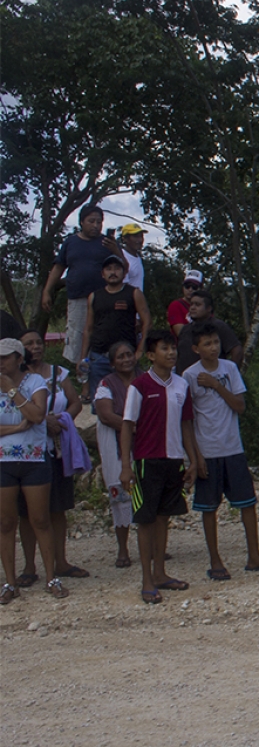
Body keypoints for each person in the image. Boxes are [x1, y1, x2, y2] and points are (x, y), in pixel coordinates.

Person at [183, 322, 259, 578]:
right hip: (208, 449)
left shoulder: (229, 369)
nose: (213, 348)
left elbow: (239, 405)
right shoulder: (190, 376)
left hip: (232, 447)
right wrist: (195, 457)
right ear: (196, 348)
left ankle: (254, 555)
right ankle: (215, 560)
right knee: (209, 507)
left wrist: (217, 385)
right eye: (207, 344)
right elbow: (188, 419)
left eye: (216, 342)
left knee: (247, 503)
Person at [120, 329, 205, 603]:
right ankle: (146, 579)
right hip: (147, 461)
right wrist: (126, 465)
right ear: (150, 355)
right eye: (164, 349)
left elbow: (186, 424)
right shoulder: (140, 386)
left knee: (163, 518)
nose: (171, 353)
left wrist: (192, 459)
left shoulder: (181, 385)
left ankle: (160, 573)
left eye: (173, 348)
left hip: (173, 460)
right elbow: (127, 426)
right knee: (145, 520)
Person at [15, 329, 88, 583]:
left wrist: (64, 420)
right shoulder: (15, 379)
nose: (35, 347)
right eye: (29, 343)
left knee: (58, 508)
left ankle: (61, 561)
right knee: (27, 513)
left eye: (38, 342)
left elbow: (75, 401)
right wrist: (44, 421)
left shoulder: (59, 373)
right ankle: (29, 566)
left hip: (56, 450)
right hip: (28, 452)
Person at [0, 337, 66, 604]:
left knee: (40, 519)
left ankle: (52, 577)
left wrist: (11, 390)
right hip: (3, 460)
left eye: (5, 357)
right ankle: (10, 582)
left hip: (34, 458)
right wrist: (16, 428)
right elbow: (27, 418)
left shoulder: (36, 382)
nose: (1, 362)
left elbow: (38, 415)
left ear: (18, 358)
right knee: (5, 523)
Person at [40, 204, 123, 369]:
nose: (96, 225)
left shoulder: (106, 243)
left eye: (99, 222)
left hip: (103, 299)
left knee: (102, 335)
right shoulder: (71, 242)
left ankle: (102, 369)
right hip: (77, 297)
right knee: (77, 335)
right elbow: (58, 267)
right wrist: (47, 291)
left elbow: (123, 267)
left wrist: (116, 249)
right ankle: (77, 371)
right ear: (82, 222)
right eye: (91, 221)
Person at [91, 341, 140, 568]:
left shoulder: (144, 380)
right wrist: (135, 427)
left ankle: (153, 545)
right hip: (116, 444)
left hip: (144, 445)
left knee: (148, 492)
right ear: (112, 363)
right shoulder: (106, 384)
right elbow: (106, 416)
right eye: (120, 357)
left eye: (129, 354)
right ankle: (123, 549)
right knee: (121, 495)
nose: (126, 359)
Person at [81, 253, 150, 399]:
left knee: (129, 400)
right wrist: (83, 359)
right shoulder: (94, 296)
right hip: (99, 356)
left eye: (117, 268)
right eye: (109, 269)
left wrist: (140, 350)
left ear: (124, 272)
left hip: (125, 358)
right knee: (100, 402)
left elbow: (147, 322)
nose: (113, 272)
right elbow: (88, 328)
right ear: (102, 274)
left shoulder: (134, 293)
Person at [174, 290, 243, 374]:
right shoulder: (185, 329)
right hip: (184, 381)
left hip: (210, 382)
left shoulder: (218, 326)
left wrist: (230, 375)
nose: (192, 308)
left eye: (197, 305)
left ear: (209, 308)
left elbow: (237, 350)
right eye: (191, 304)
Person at [166, 269, 205, 337]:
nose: (190, 289)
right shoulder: (175, 305)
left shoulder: (205, 306)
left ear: (201, 289)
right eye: (187, 286)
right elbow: (181, 333)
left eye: (194, 287)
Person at [118, 222, 146, 291]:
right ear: (125, 239)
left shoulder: (137, 257)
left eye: (141, 236)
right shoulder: (122, 257)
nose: (139, 240)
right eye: (136, 236)